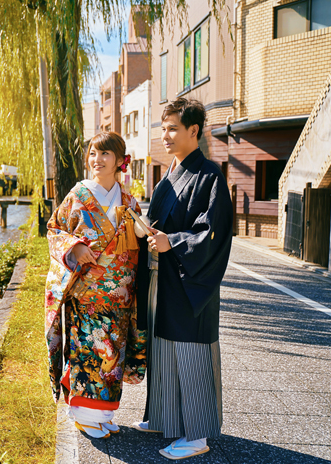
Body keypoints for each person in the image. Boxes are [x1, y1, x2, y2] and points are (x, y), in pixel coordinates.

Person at [131, 98, 233, 460]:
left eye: (173, 127)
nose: (166, 135)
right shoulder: (169, 176)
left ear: (195, 131)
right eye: (164, 127)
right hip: (165, 279)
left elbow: (213, 234)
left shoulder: (210, 176)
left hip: (190, 281)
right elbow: (161, 224)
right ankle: (164, 417)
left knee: (190, 353)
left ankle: (196, 434)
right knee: (164, 349)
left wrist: (171, 241)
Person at [45, 131, 148, 440]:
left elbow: (141, 239)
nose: (97, 160)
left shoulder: (128, 200)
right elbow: (54, 230)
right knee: (88, 355)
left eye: (105, 154)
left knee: (112, 358)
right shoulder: (77, 195)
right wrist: (73, 248)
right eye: (92, 153)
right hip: (86, 295)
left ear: (120, 161)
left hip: (120, 298)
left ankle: (104, 413)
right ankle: (84, 415)